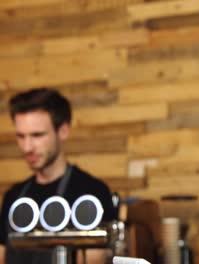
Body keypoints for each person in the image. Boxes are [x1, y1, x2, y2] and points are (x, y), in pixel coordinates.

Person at [0, 88, 117, 264]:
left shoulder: (92, 193)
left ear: (63, 131)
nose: (27, 147)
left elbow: (94, 260)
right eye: (20, 136)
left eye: (37, 135)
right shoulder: (14, 197)